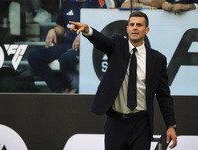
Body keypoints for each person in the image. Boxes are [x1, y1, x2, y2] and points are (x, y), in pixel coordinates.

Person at [70, 11, 177, 149]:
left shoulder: (157, 59)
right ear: (127, 29)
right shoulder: (116, 45)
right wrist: (87, 30)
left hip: (142, 124)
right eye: (131, 25)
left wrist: (171, 125)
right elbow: (102, 41)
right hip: (116, 123)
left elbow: (164, 96)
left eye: (139, 25)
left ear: (147, 30)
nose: (134, 28)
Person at [27, 0, 106, 93]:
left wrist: (85, 34)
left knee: (65, 58)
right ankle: (59, 88)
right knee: (34, 57)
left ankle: (67, 88)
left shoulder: (96, 2)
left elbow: (104, 24)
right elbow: (61, 27)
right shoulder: (67, 3)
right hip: (66, 44)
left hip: (87, 46)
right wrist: (53, 30)